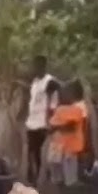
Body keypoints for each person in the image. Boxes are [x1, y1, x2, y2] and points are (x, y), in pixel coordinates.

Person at [41, 81, 88, 194]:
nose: (63, 95)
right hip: (57, 150)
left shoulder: (77, 110)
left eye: (66, 92)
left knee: (71, 183)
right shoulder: (60, 109)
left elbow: (70, 126)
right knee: (57, 182)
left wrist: (57, 126)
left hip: (70, 150)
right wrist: (57, 126)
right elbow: (51, 128)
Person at [23, 55, 60, 186]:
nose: (33, 69)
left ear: (42, 66)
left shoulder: (50, 81)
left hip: (43, 123)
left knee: (41, 153)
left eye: (36, 66)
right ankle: (35, 179)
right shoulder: (35, 82)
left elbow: (53, 102)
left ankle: (42, 179)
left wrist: (50, 120)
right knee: (32, 152)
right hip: (32, 122)